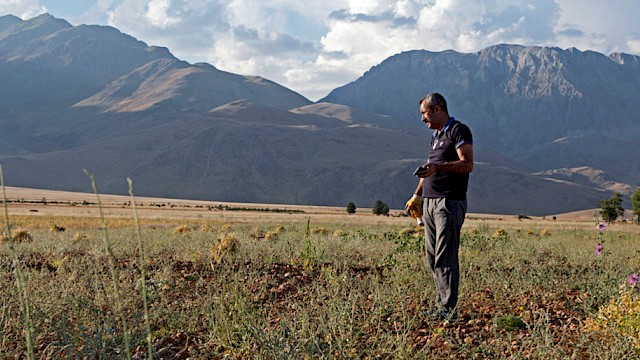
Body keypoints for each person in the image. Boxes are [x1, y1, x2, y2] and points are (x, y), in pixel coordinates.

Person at [405, 92, 473, 321]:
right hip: (430, 202)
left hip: (449, 202)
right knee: (432, 256)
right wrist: (417, 195)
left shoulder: (458, 131)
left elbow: (467, 164)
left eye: (424, 113)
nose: (422, 118)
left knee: (446, 255)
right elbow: (430, 168)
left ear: (437, 109)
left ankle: (448, 309)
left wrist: (438, 168)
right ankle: (440, 305)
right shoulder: (435, 137)